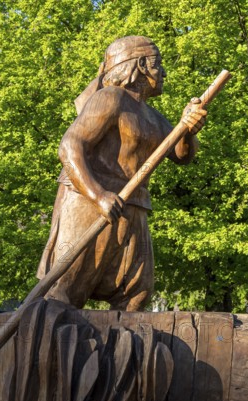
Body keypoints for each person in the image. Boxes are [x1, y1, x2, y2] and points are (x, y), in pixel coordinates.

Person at [37, 36, 206, 311]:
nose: (163, 73)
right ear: (140, 65)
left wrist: (188, 128)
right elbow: (70, 147)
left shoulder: (152, 117)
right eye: (158, 64)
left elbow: (181, 155)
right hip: (90, 202)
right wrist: (98, 195)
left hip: (133, 207)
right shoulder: (110, 99)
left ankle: (117, 353)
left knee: (136, 294)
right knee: (65, 292)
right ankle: (50, 349)